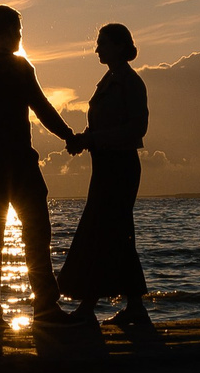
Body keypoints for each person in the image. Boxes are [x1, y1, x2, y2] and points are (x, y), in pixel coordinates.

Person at [0, 4, 76, 346]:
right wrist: (68, 135)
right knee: (8, 236)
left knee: (27, 232)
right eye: (17, 32)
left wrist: (67, 134)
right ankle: (2, 310)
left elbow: (41, 109)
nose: (20, 38)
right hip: (6, 166)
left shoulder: (1, 70)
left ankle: (27, 307)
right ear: (3, 32)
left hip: (9, 165)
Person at [58, 22, 155, 341]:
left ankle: (90, 305)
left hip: (120, 166)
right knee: (111, 232)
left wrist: (91, 139)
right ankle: (132, 306)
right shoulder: (109, 80)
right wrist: (87, 140)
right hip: (105, 166)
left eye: (101, 43)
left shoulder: (130, 82)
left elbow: (137, 128)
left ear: (117, 45)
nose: (96, 49)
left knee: (107, 230)